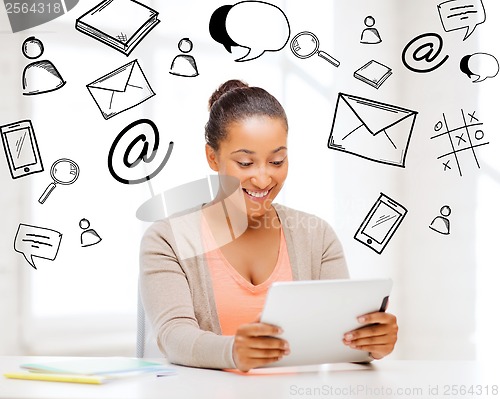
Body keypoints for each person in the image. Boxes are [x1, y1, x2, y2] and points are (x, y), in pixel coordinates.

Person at [140, 79, 398, 372]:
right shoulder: (168, 239)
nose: (263, 180)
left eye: (277, 161)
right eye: (245, 164)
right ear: (213, 157)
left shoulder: (317, 236)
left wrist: (370, 344)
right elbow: (173, 336)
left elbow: (338, 337)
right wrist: (233, 351)